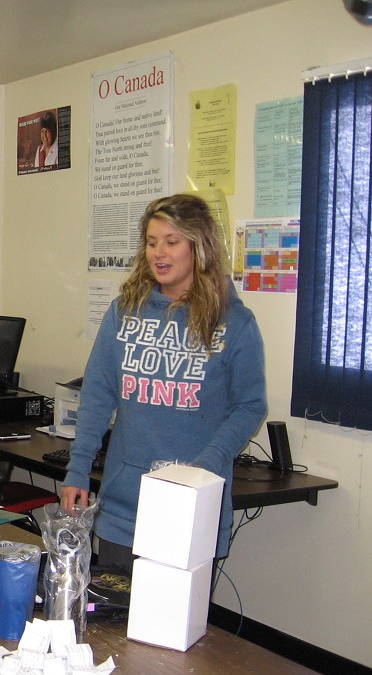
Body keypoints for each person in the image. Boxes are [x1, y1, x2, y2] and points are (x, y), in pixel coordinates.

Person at [60, 194, 267, 571]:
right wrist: (78, 469)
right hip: (123, 506)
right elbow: (97, 393)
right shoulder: (125, 311)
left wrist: (205, 465)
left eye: (172, 242)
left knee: (173, 627)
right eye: (152, 242)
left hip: (190, 506)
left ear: (198, 246)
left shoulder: (235, 323)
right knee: (112, 623)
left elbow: (249, 406)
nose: (160, 253)